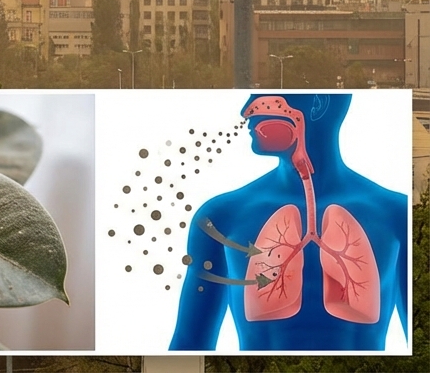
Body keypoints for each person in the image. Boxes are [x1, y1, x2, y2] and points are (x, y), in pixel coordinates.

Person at [169, 93, 408, 351]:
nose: (245, 110)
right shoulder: (220, 217)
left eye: (263, 95)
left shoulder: (397, 214)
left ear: (317, 103)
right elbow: (188, 345)